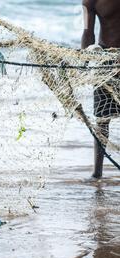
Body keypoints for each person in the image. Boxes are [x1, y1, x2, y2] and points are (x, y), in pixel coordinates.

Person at [81, 0, 120, 179]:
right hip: (106, 60)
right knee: (102, 119)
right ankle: (97, 174)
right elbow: (88, 32)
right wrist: (83, 63)